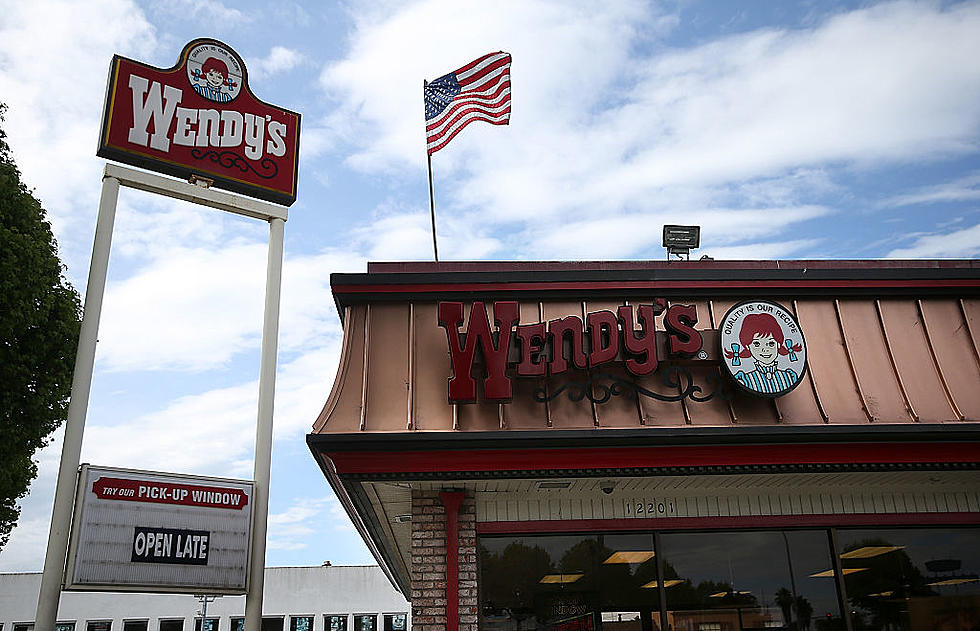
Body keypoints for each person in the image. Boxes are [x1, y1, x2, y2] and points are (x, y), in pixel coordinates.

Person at [725, 312, 802, 394]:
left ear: (779, 344)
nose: (765, 349)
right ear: (747, 346)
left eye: (771, 343)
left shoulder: (789, 377)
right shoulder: (746, 379)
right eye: (757, 344)